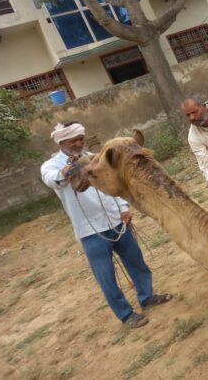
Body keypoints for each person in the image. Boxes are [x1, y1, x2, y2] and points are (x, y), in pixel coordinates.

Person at [40, 122, 171, 329]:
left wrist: (123, 207)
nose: (78, 143)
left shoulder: (94, 157)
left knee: (136, 261)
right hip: (90, 230)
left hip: (116, 219)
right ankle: (126, 315)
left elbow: (113, 183)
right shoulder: (51, 166)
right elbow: (52, 180)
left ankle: (147, 296)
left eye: (80, 138)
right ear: (61, 142)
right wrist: (66, 171)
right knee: (106, 276)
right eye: (73, 140)